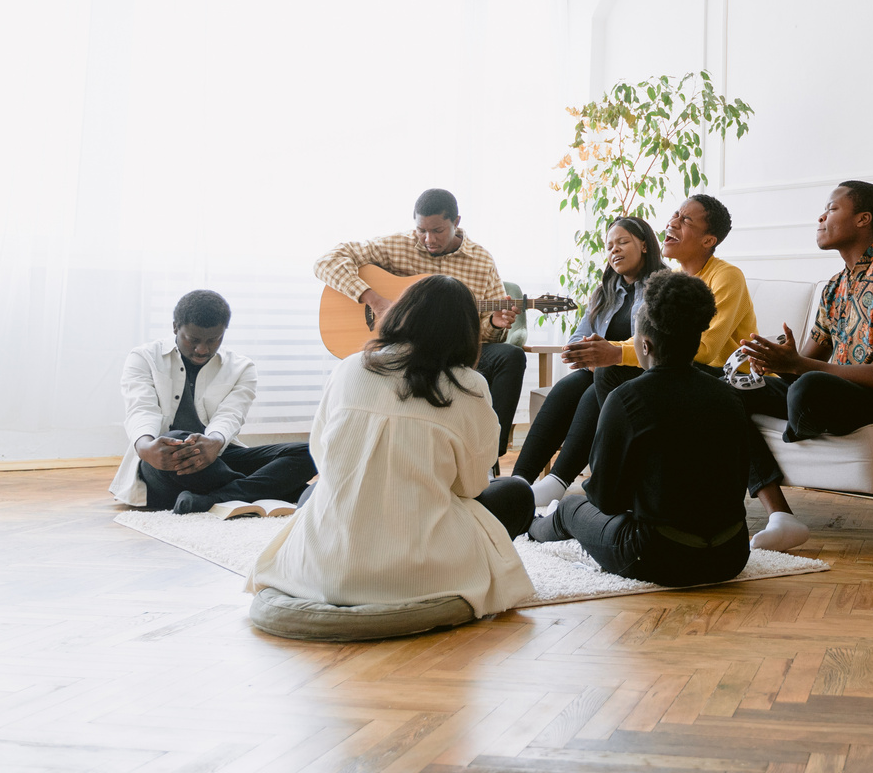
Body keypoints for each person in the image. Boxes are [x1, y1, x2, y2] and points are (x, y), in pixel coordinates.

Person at [248, 275, 535, 614]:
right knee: (517, 493)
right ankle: (442, 574)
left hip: (323, 573)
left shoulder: (349, 367)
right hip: (419, 574)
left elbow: (322, 457)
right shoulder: (470, 385)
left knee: (313, 495)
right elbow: (471, 486)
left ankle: (340, 568)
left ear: (401, 315)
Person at [523, 194, 758, 510]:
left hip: (718, 377)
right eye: (674, 214)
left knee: (608, 373)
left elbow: (701, 350)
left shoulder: (721, 276)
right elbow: (646, 343)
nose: (672, 222)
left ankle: (572, 480)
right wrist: (599, 354)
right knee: (576, 383)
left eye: (685, 220)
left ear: (709, 239)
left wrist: (613, 354)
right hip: (675, 372)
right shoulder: (670, 281)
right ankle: (523, 481)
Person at [737, 181, 873, 550]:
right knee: (731, 390)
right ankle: (781, 516)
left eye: (831, 209)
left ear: (863, 219)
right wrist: (773, 361)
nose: (820, 216)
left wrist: (797, 367)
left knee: (807, 389)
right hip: (834, 393)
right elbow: (805, 361)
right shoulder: (834, 287)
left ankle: (802, 419)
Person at [526, 270, 751, 587]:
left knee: (570, 507)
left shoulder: (627, 398)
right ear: (696, 339)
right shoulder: (729, 396)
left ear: (644, 345)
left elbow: (606, 501)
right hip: (731, 556)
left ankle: (530, 527)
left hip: (658, 557)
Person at [314, 188, 525, 467]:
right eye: (421, 230)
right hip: (403, 349)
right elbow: (326, 262)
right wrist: (374, 300)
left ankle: (486, 457)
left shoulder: (482, 261)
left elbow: (483, 333)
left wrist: (495, 324)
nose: (428, 239)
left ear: (456, 222)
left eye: (438, 230)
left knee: (511, 357)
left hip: (451, 351)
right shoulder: (397, 246)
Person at [110, 290, 316, 513]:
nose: (202, 349)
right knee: (174, 439)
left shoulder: (241, 367)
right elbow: (141, 408)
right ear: (175, 328)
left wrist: (215, 443)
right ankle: (276, 489)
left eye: (213, 340)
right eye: (193, 340)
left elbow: (230, 415)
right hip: (164, 462)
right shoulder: (144, 357)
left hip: (216, 457)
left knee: (312, 451)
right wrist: (144, 446)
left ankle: (212, 499)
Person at [512, 215, 664, 492]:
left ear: (644, 245)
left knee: (596, 385)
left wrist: (607, 356)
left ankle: (556, 482)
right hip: (600, 371)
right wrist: (589, 356)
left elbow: (656, 344)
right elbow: (576, 338)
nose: (614, 250)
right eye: (609, 246)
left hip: (642, 374)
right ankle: (519, 480)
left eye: (622, 242)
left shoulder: (662, 287)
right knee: (566, 387)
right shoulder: (605, 292)